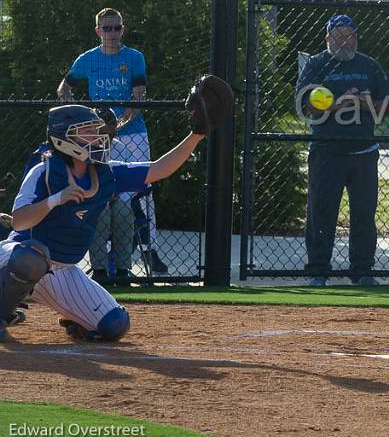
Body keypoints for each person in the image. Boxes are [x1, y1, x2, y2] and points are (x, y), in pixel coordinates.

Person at [0, 81, 228, 341]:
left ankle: (76, 319)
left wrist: (196, 135)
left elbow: (159, 169)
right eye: (87, 132)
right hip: (17, 257)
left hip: (61, 270)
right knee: (30, 259)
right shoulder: (44, 171)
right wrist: (55, 200)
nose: (98, 137)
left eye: (96, 131)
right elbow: (18, 222)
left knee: (114, 324)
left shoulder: (105, 173)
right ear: (64, 138)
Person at [57, 8, 167, 275]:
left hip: (134, 135)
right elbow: (64, 87)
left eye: (116, 28)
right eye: (107, 28)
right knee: (104, 195)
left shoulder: (134, 58)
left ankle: (148, 250)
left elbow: (137, 98)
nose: (112, 33)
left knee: (142, 192)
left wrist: (116, 126)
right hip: (100, 140)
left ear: (123, 30)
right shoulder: (87, 60)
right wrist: (79, 120)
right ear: (98, 31)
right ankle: (104, 261)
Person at [298, 14, 389, 287]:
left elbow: (384, 107)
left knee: (364, 214)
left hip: (364, 154)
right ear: (327, 39)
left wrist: (363, 103)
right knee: (321, 213)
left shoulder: (369, 66)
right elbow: (307, 106)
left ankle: (362, 271)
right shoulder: (316, 65)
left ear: (356, 38)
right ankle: (318, 271)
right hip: (327, 152)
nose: (344, 41)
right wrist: (339, 103)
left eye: (349, 35)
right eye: (337, 36)